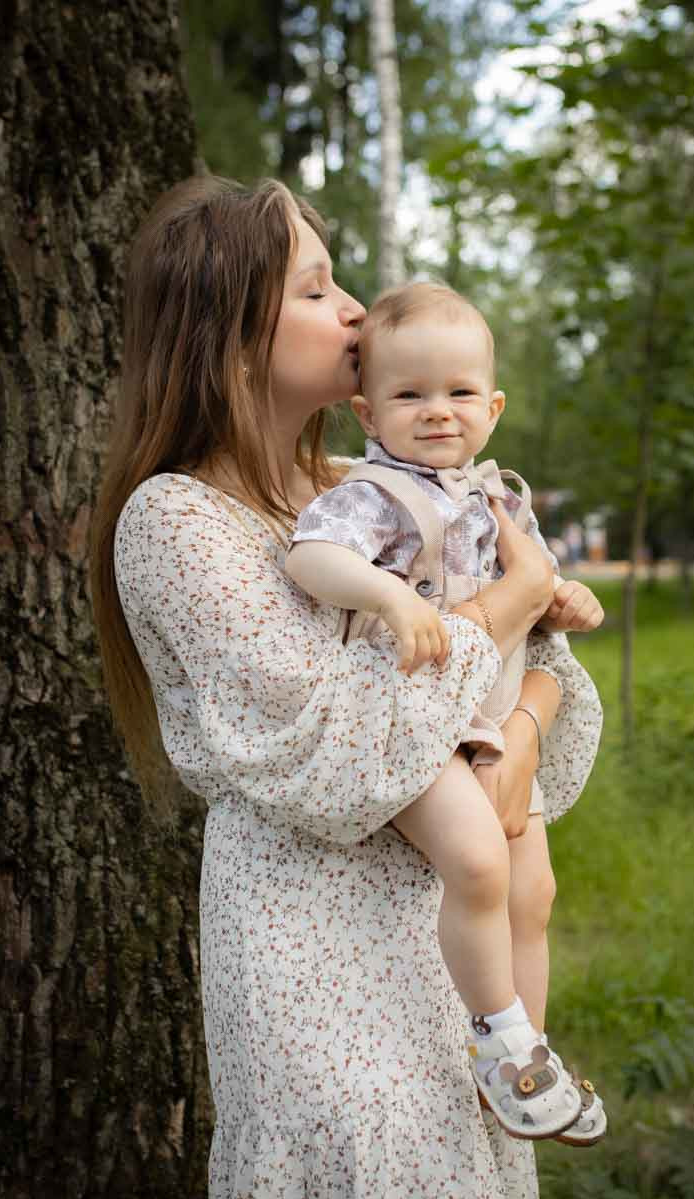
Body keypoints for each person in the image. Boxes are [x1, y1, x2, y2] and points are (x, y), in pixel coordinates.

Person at [89, 174, 602, 1199]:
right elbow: (337, 742)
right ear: (231, 339)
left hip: (449, 933)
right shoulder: (177, 523)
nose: (357, 311)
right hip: (312, 943)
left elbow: (545, 661)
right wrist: (509, 606)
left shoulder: (365, 491)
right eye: (317, 290)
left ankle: (515, 1054)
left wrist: (522, 739)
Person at [285, 282, 606, 1146]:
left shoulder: (503, 498)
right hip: (420, 723)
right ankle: (499, 1036)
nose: (437, 412)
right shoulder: (373, 496)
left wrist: (563, 600)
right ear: (366, 411)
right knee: (477, 866)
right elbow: (311, 557)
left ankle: (523, 1058)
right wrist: (386, 595)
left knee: (534, 893)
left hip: (498, 715)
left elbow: (532, 593)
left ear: (493, 408)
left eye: (460, 393)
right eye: (409, 394)